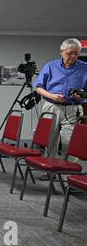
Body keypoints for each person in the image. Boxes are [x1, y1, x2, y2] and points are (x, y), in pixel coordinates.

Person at [33, 38, 87, 180]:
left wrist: (80, 96)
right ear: (61, 52)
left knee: (71, 142)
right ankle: (49, 170)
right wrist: (51, 95)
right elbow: (38, 87)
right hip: (51, 105)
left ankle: (68, 173)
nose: (73, 56)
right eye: (70, 53)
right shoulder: (50, 66)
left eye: (76, 53)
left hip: (73, 108)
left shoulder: (85, 68)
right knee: (50, 140)